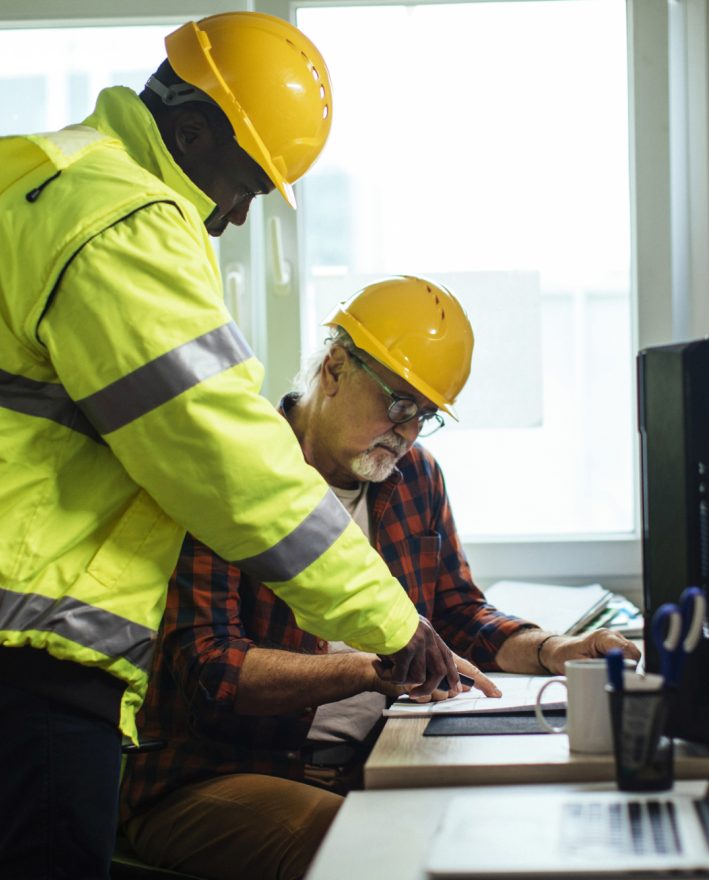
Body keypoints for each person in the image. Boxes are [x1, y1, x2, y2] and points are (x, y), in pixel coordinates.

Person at [0, 15, 459, 879]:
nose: (236, 217)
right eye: (244, 186)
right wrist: (392, 626)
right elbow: (229, 462)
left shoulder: (63, 181)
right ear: (194, 130)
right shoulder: (125, 220)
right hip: (28, 630)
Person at [119, 276, 641, 880]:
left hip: (376, 761)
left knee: (507, 834)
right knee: (371, 851)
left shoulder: (415, 476)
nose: (408, 430)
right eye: (399, 404)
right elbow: (209, 671)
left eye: (424, 416)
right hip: (218, 773)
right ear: (335, 368)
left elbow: (459, 615)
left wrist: (553, 648)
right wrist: (378, 669)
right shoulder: (234, 474)